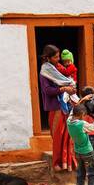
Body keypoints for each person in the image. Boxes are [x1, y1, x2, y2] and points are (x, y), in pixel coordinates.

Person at [38, 45, 76, 173]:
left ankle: (69, 162)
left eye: (58, 56)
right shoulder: (45, 71)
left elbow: (67, 76)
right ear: (48, 58)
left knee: (68, 135)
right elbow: (47, 90)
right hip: (55, 107)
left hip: (65, 104)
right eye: (55, 57)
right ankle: (57, 163)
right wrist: (64, 89)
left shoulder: (58, 67)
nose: (58, 59)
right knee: (58, 136)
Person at [66, 103, 94, 185]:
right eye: (84, 115)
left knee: (80, 174)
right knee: (92, 173)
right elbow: (93, 128)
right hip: (87, 152)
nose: (84, 117)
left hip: (77, 152)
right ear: (82, 113)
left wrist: (82, 100)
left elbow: (72, 112)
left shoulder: (69, 121)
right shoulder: (81, 124)